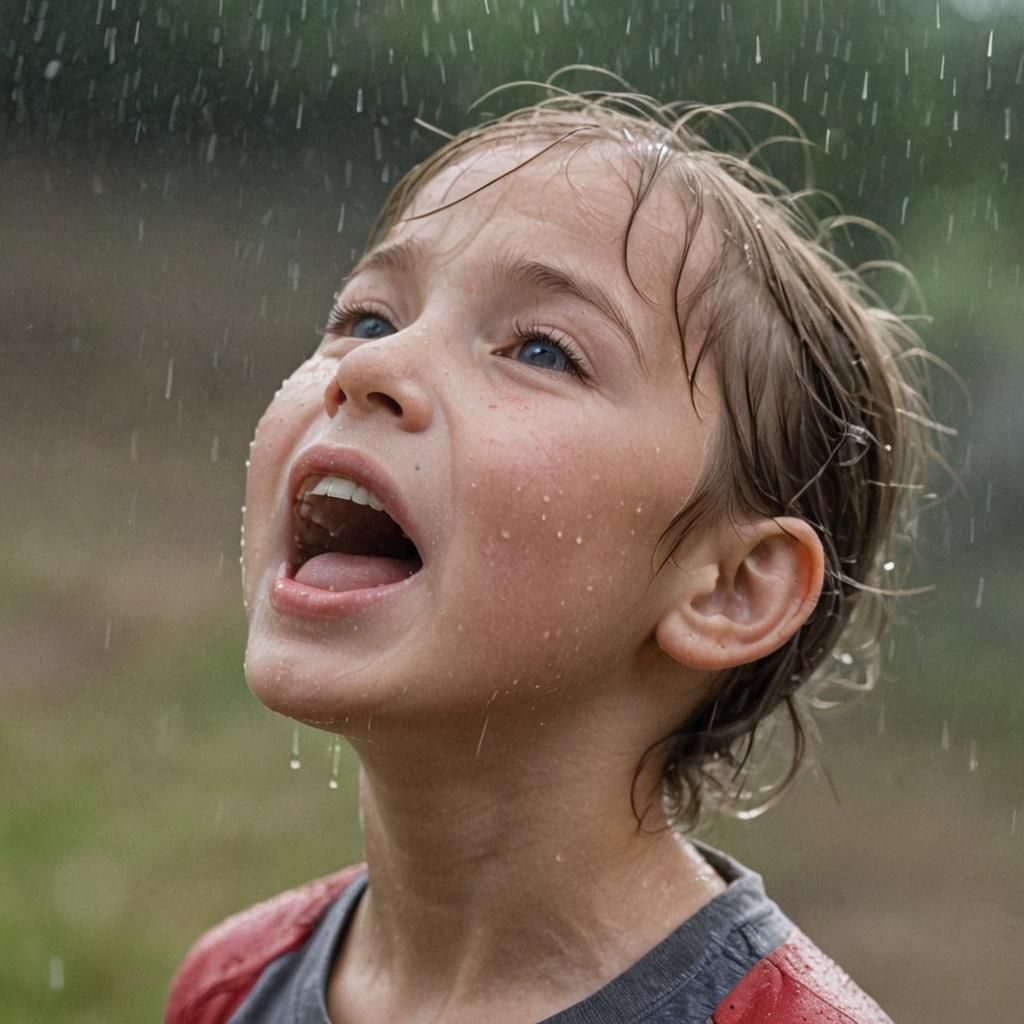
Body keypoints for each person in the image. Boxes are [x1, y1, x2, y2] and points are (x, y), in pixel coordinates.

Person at [165, 81, 933, 1024]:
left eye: (539, 350)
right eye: (368, 318)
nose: (372, 367)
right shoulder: (230, 987)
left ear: (731, 588)